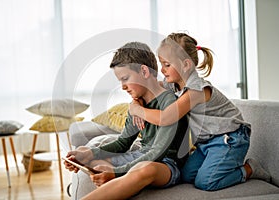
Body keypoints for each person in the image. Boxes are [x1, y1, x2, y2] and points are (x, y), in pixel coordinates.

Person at [129, 33, 271, 191]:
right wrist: (136, 100)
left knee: (206, 182)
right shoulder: (173, 84)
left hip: (230, 138)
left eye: (167, 65)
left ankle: (249, 169)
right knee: (186, 176)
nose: (162, 70)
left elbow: (167, 118)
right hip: (206, 142)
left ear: (186, 65)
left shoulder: (196, 90)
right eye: (161, 64)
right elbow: (149, 88)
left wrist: (138, 110)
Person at [64, 41, 188, 200]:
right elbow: (123, 143)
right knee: (94, 162)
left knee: (146, 168)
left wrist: (117, 172)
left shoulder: (169, 102)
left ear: (144, 71)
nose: (122, 87)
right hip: (141, 155)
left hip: (167, 164)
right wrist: (88, 154)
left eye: (125, 78)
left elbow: (158, 151)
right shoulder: (136, 104)